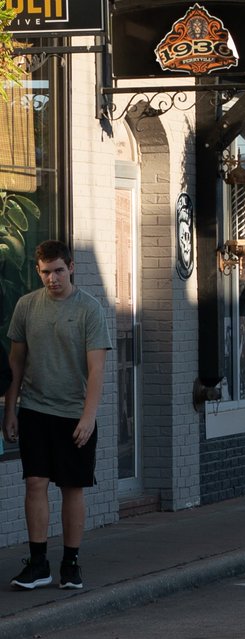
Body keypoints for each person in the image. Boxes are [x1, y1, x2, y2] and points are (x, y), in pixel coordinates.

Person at [3, 240, 111, 592]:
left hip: (74, 415)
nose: (53, 278)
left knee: (71, 487)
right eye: (46, 272)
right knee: (35, 482)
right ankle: (38, 564)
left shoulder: (89, 309)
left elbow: (97, 369)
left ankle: (70, 563)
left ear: (71, 267)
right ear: (38, 271)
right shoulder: (26, 306)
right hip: (34, 410)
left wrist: (88, 417)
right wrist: (10, 410)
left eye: (59, 271)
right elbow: (16, 363)